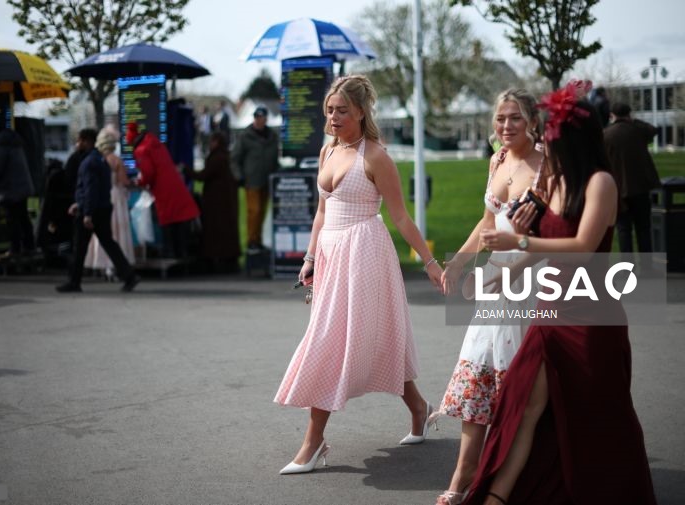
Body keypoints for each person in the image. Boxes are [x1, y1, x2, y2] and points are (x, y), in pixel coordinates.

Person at [463, 80, 656, 504]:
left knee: (597, 412)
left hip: (590, 314)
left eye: (553, 135)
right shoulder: (553, 183)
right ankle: (496, 496)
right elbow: (537, 239)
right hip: (548, 310)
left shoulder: (600, 183)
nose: (547, 141)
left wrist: (520, 244)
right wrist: (504, 276)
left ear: (574, 139)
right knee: (525, 404)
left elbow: (583, 247)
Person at [274, 75, 444, 475]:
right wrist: (310, 256)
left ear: (361, 112)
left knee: (333, 341)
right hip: (332, 254)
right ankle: (419, 408)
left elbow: (400, 216)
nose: (333, 117)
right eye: (330, 110)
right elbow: (322, 210)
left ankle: (313, 443)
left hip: (365, 253)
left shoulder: (376, 157)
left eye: (342, 111)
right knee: (374, 338)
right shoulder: (327, 150)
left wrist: (431, 263)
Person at [432, 89, 544, 505]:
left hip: (533, 278)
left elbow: (551, 235)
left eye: (515, 118)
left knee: (519, 380)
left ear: (531, 119)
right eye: (500, 118)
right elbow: (486, 222)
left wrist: (515, 269)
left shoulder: (547, 165)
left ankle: (514, 479)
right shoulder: (496, 161)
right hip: (496, 277)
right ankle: (462, 477)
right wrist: (459, 262)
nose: (506, 126)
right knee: (477, 370)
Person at [56, 128, 139, 293]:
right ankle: (129, 275)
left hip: (92, 211)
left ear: (87, 141)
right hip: (103, 207)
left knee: (79, 247)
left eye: (80, 140)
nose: (77, 144)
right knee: (109, 243)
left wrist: (86, 213)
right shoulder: (100, 160)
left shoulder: (88, 163)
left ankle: (74, 281)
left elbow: (90, 189)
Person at [126, 122, 200, 259]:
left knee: (167, 221)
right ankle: (182, 254)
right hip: (176, 186)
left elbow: (148, 173)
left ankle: (169, 252)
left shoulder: (141, 150)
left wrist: (139, 182)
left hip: (162, 190)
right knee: (180, 220)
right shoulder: (156, 143)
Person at [604, 102, 660, 268]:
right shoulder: (637, 130)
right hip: (640, 186)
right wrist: (632, 121)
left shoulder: (606, 134)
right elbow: (653, 130)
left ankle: (626, 267)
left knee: (623, 229)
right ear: (629, 114)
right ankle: (647, 266)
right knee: (643, 228)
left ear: (611, 115)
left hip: (618, 189)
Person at [184, 131, 241, 272]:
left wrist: (186, 170)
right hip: (225, 201)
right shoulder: (224, 157)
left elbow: (203, 175)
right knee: (226, 231)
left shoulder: (217, 158)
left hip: (217, 203)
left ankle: (216, 258)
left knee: (215, 232)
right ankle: (228, 259)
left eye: (212, 141)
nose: (210, 144)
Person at [83, 126, 135, 279]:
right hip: (117, 198)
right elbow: (123, 181)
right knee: (117, 235)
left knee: (103, 233)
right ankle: (116, 267)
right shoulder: (117, 160)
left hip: (102, 197)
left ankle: (102, 265)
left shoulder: (99, 160)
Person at [231, 106, 279, 252]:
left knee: (262, 211)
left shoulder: (272, 136)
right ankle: (251, 241)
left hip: (268, 180)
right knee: (254, 211)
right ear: (254, 118)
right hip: (251, 180)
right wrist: (239, 176)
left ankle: (257, 240)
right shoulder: (245, 136)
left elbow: (275, 157)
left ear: (266, 119)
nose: (260, 120)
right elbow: (234, 158)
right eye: (257, 117)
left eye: (262, 118)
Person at [0, 123, 36, 257]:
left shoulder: (1, 144)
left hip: (10, 189)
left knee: (12, 220)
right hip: (23, 187)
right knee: (23, 218)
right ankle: (29, 246)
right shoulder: (15, 141)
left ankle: (15, 249)